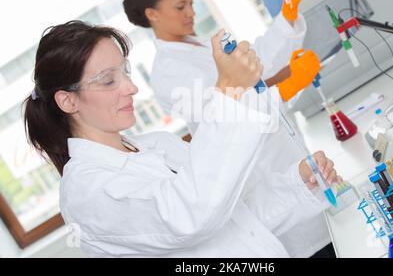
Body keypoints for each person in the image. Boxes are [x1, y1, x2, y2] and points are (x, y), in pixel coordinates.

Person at [23, 20, 340, 257]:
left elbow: (236, 223)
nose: (131, 88)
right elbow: (189, 216)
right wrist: (228, 91)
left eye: (125, 72)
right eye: (108, 80)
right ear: (68, 101)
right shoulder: (85, 193)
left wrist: (296, 184)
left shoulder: (157, 144)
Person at [123, 0, 336, 257]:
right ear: (152, 14)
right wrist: (287, 86)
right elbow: (223, 116)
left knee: (335, 231)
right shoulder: (168, 73)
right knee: (316, 245)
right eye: (180, 6)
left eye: (192, 3)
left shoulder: (197, 45)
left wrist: (287, 18)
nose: (191, 13)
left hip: (297, 168)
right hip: (270, 188)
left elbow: (254, 65)